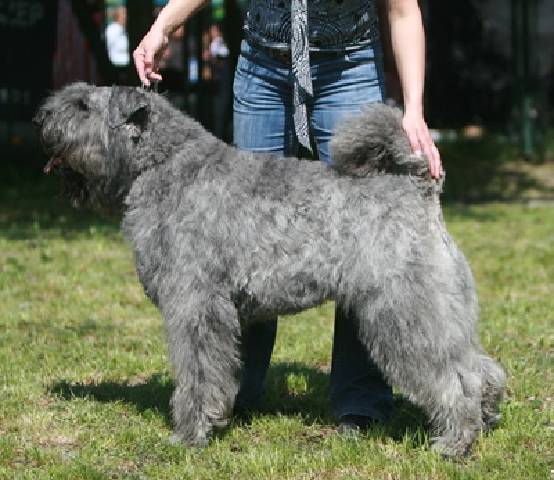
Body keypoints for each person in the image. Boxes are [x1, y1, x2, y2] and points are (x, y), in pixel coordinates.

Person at [133, 0, 443, 433]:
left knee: (367, 246)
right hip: (263, 67)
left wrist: (413, 110)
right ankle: (232, 393)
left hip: (347, 66)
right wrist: (163, 26)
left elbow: (404, 11)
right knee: (242, 242)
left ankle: (361, 401)